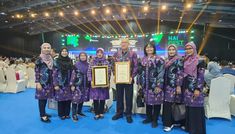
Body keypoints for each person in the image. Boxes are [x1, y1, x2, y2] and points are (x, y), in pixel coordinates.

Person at [138, 42, 165, 128]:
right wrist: (140, 83)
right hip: (146, 86)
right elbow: (140, 72)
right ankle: (149, 118)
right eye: (147, 48)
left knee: (156, 103)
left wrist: (159, 85)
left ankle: (155, 119)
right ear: (145, 49)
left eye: (151, 47)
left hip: (155, 85)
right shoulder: (143, 59)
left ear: (154, 49)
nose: (149, 49)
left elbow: (161, 72)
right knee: (148, 102)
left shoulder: (159, 59)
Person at [112, 38, 138, 123]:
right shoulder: (116, 54)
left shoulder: (133, 54)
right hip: (119, 79)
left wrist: (132, 77)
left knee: (128, 97)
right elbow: (113, 66)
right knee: (119, 96)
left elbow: (135, 66)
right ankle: (119, 113)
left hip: (129, 80)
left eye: (125, 42)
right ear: (120, 44)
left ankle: (128, 114)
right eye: (122, 42)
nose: (123, 44)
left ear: (128, 44)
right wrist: (115, 75)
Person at [183, 42, 206, 134]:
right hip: (187, 88)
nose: (188, 50)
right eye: (187, 48)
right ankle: (189, 128)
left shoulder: (200, 60)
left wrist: (198, 89)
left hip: (195, 88)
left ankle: (197, 130)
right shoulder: (186, 60)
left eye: (190, 48)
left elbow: (201, 75)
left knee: (196, 108)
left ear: (194, 49)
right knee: (189, 108)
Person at [162, 44, 184, 132]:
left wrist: (178, 85)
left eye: (173, 49)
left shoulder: (178, 60)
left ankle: (178, 122)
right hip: (166, 86)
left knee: (177, 104)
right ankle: (168, 123)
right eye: (169, 50)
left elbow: (180, 73)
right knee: (167, 105)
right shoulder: (167, 60)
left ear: (176, 51)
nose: (171, 51)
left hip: (174, 86)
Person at [87, 48, 111, 120]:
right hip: (95, 83)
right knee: (96, 98)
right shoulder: (92, 62)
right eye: (98, 52)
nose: (99, 54)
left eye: (101, 52)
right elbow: (89, 72)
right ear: (96, 54)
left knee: (102, 98)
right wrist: (91, 80)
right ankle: (96, 113)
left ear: (103, 53)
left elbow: (109, 73)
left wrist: (107, 81)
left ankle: (101, 112)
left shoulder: (106, 62)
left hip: (103, 83)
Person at [35, 43, 54, 123]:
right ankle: (42, 115)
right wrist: (37, 82)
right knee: (41, 99)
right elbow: (36, 71)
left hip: (49, 83)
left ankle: (44, 112)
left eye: (48, 48)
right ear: (42, 49)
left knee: (45, 98)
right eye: (45, 47)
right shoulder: (39, 59)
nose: (46, 49)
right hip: (42, 83)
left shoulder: (51, 58)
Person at [53, 47, 73, 120]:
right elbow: (54, 73)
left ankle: (67, 114)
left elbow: (72, 73)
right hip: (60, 83)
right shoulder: (56, 61)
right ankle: (61, 114)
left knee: (68, 99)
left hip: (68, 84)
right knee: (61, 100)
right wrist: (55, 84)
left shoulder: (70, 61)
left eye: (66, 51)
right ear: (60, 52)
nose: (64, 52)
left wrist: (72, 83)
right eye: (63, 51)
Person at [70, 52, 90, 122]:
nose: (83, 57)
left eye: (84, 55)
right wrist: (72, 84)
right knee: (75, 100)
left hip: (85, 85)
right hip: (77, 84)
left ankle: (79, 111)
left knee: (82, 99)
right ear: (79, 57)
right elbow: (73, 75)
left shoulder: (88, 65)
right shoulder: (76, 65)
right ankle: (74, 114)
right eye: (81, 55)